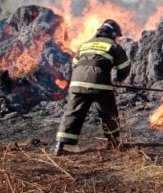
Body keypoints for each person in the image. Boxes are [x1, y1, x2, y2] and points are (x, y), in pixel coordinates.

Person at [54, 19, 130, 154]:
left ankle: (59, 146)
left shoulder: (85, 44)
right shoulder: (113, 45)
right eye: (117, 36)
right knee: (109, 112)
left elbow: (75, 63)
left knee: (72, 112)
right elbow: (124, 67)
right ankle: (113, 142)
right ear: (113, 34)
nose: (117, 39)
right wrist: (120, 79)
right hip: (99, 83)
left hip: (77, 83)